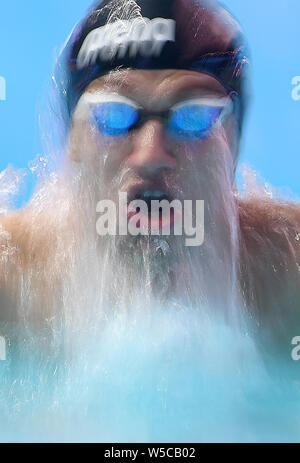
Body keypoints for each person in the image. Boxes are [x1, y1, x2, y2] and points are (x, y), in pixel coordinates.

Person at [0, 0, 299, 350]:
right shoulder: (12, 285)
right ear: (74, 144)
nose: (151, 155)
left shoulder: (289, 277)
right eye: (113, 116)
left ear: (230, 146)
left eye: (193, 117)